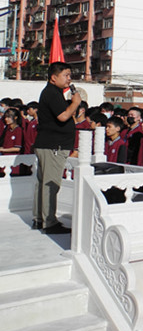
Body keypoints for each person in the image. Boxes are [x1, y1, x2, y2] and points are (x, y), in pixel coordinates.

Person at [32, 62, 81, 233]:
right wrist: (75, 103)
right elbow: (63, 116)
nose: (69, 79)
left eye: (70, 75)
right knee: (51, 184)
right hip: (53, 145)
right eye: (66, 75)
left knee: (44, 183)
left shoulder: (53, 92)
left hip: (48, 144)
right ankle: (49, 222)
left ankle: (40, 219)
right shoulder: (52, 93)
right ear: (53, 77)